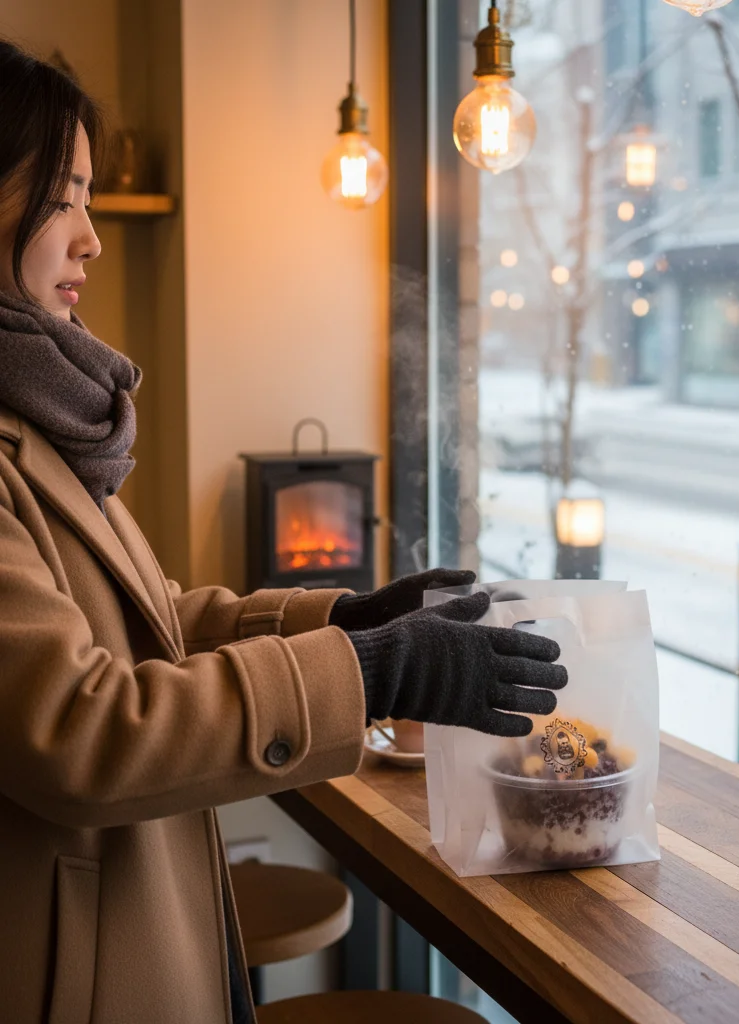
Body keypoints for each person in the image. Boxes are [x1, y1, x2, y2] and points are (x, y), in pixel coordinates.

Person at [0, 40, 566, 1024]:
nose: (90, 238)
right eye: (61, 198)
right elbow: (80, 729)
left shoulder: (41, 413)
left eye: (89, 198)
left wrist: (343, 619)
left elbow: (147, 623)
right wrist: (372, 672)